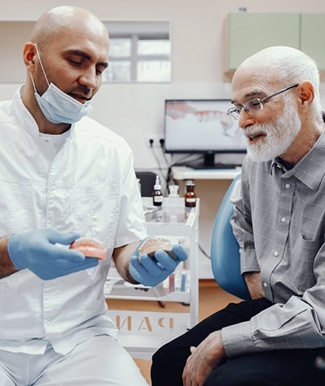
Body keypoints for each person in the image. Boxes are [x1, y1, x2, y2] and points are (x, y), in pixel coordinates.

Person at [0, 6, 188, 386]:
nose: (90, 80)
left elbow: (124, 245)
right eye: (76, 60)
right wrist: (12, 253)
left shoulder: (112, 150)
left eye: (100, 68)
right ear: (31, 57)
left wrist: (139, 260)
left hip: (80, 341)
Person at [151, 45, 325, 386]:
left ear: (304, 95)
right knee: (168, 362)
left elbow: (321, 313)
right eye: (238, 109)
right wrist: (251, 267)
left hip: (317, 327)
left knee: (226, 381)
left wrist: (224, 341)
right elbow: (240, 215)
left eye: (256, 102)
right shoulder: (258, 159)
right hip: (274, 307)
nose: (243, 121)